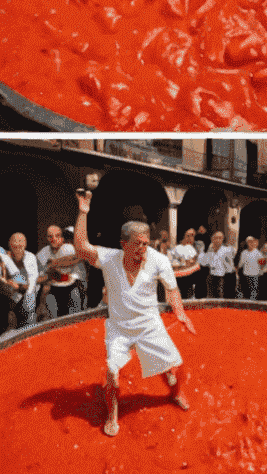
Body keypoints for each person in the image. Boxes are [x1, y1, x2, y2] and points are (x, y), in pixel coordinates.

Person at [72, 186, 195, 438]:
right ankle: (112, 414)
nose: (144, 249)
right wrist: (83, 211)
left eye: (146, 244)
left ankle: (175, 393)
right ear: (123, 244)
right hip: (119, 327)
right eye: (138, 244)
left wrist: (180, 311)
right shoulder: (109, 258)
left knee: (175, 367)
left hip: (150, 324)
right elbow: (82, 247)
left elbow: (172, 289)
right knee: (112, 373)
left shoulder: (158, 259)